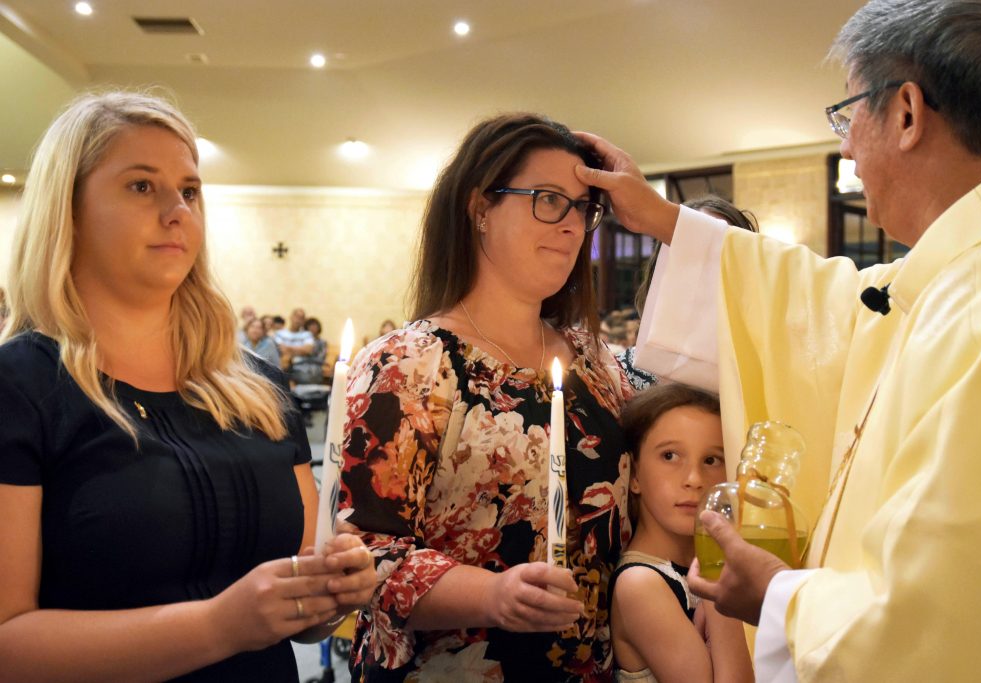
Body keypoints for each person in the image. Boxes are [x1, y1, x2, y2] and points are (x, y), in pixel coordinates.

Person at [574, 0, 981, 679]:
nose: (846, 147)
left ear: (906, 113)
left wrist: (777, 597)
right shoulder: (956, 278)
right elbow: (834, 303)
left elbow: (945, 613)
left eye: (848, 114)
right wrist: (665, 219)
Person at [0, 91, 377, 682]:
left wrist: (330, 594)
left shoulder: (256, 389)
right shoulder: (19, 387)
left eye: (190, 190)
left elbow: (300, 609)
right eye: (142, 186)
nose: (177, 210)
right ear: (67, 209)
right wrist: (218, 626)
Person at [340, 113, 633, 681]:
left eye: (582, 206)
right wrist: (493, 594)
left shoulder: (596, 362)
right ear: (479, 208)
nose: (572, 224)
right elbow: (363, 555)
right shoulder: (410, 364)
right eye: (548, 199)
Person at [611, 383, 752, 683]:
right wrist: (718, 585)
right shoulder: (640, 584)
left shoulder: (705, 564)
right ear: (634, 474)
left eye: (711, 460)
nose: (694, 479)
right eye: (670, 456)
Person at [619, 196, 758, 393]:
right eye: (693, 254)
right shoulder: (622, 375)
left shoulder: (763, 375)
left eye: (720, 253)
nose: (707, 274)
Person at [277, 307, 321, 385]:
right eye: (296, 316)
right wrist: (300, 350)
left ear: (304, 321)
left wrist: (288, 348)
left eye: (301, 318)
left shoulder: (307, 334)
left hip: (302, 368)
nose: (298, 320)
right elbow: (282, 350)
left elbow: (308, 350)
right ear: (291, 317)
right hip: (284, 365)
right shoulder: (280, 333)